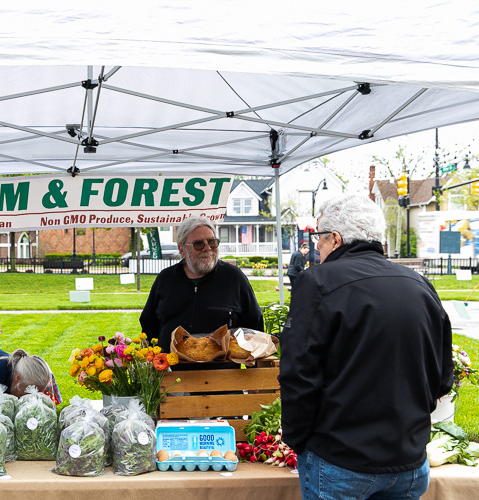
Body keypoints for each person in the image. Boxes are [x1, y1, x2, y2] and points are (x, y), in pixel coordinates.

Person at [278, 194, 453, 500]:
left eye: (320, 238)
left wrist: (297, 438)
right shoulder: (418, 283)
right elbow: (442, 377)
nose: (316, 246)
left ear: (335, 238)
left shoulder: (317, 281)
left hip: (340, 459)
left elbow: (298, 373)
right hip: (408, 460)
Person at [140, 215, 264, 352]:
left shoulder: (234, 278)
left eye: (212, 242)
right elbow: (148, 327)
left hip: (222, 372)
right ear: (182, 250)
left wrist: (254, 370)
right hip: (171, 370)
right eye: (198, 244)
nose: (207, 248)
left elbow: (254, 328)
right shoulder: (165, 279)